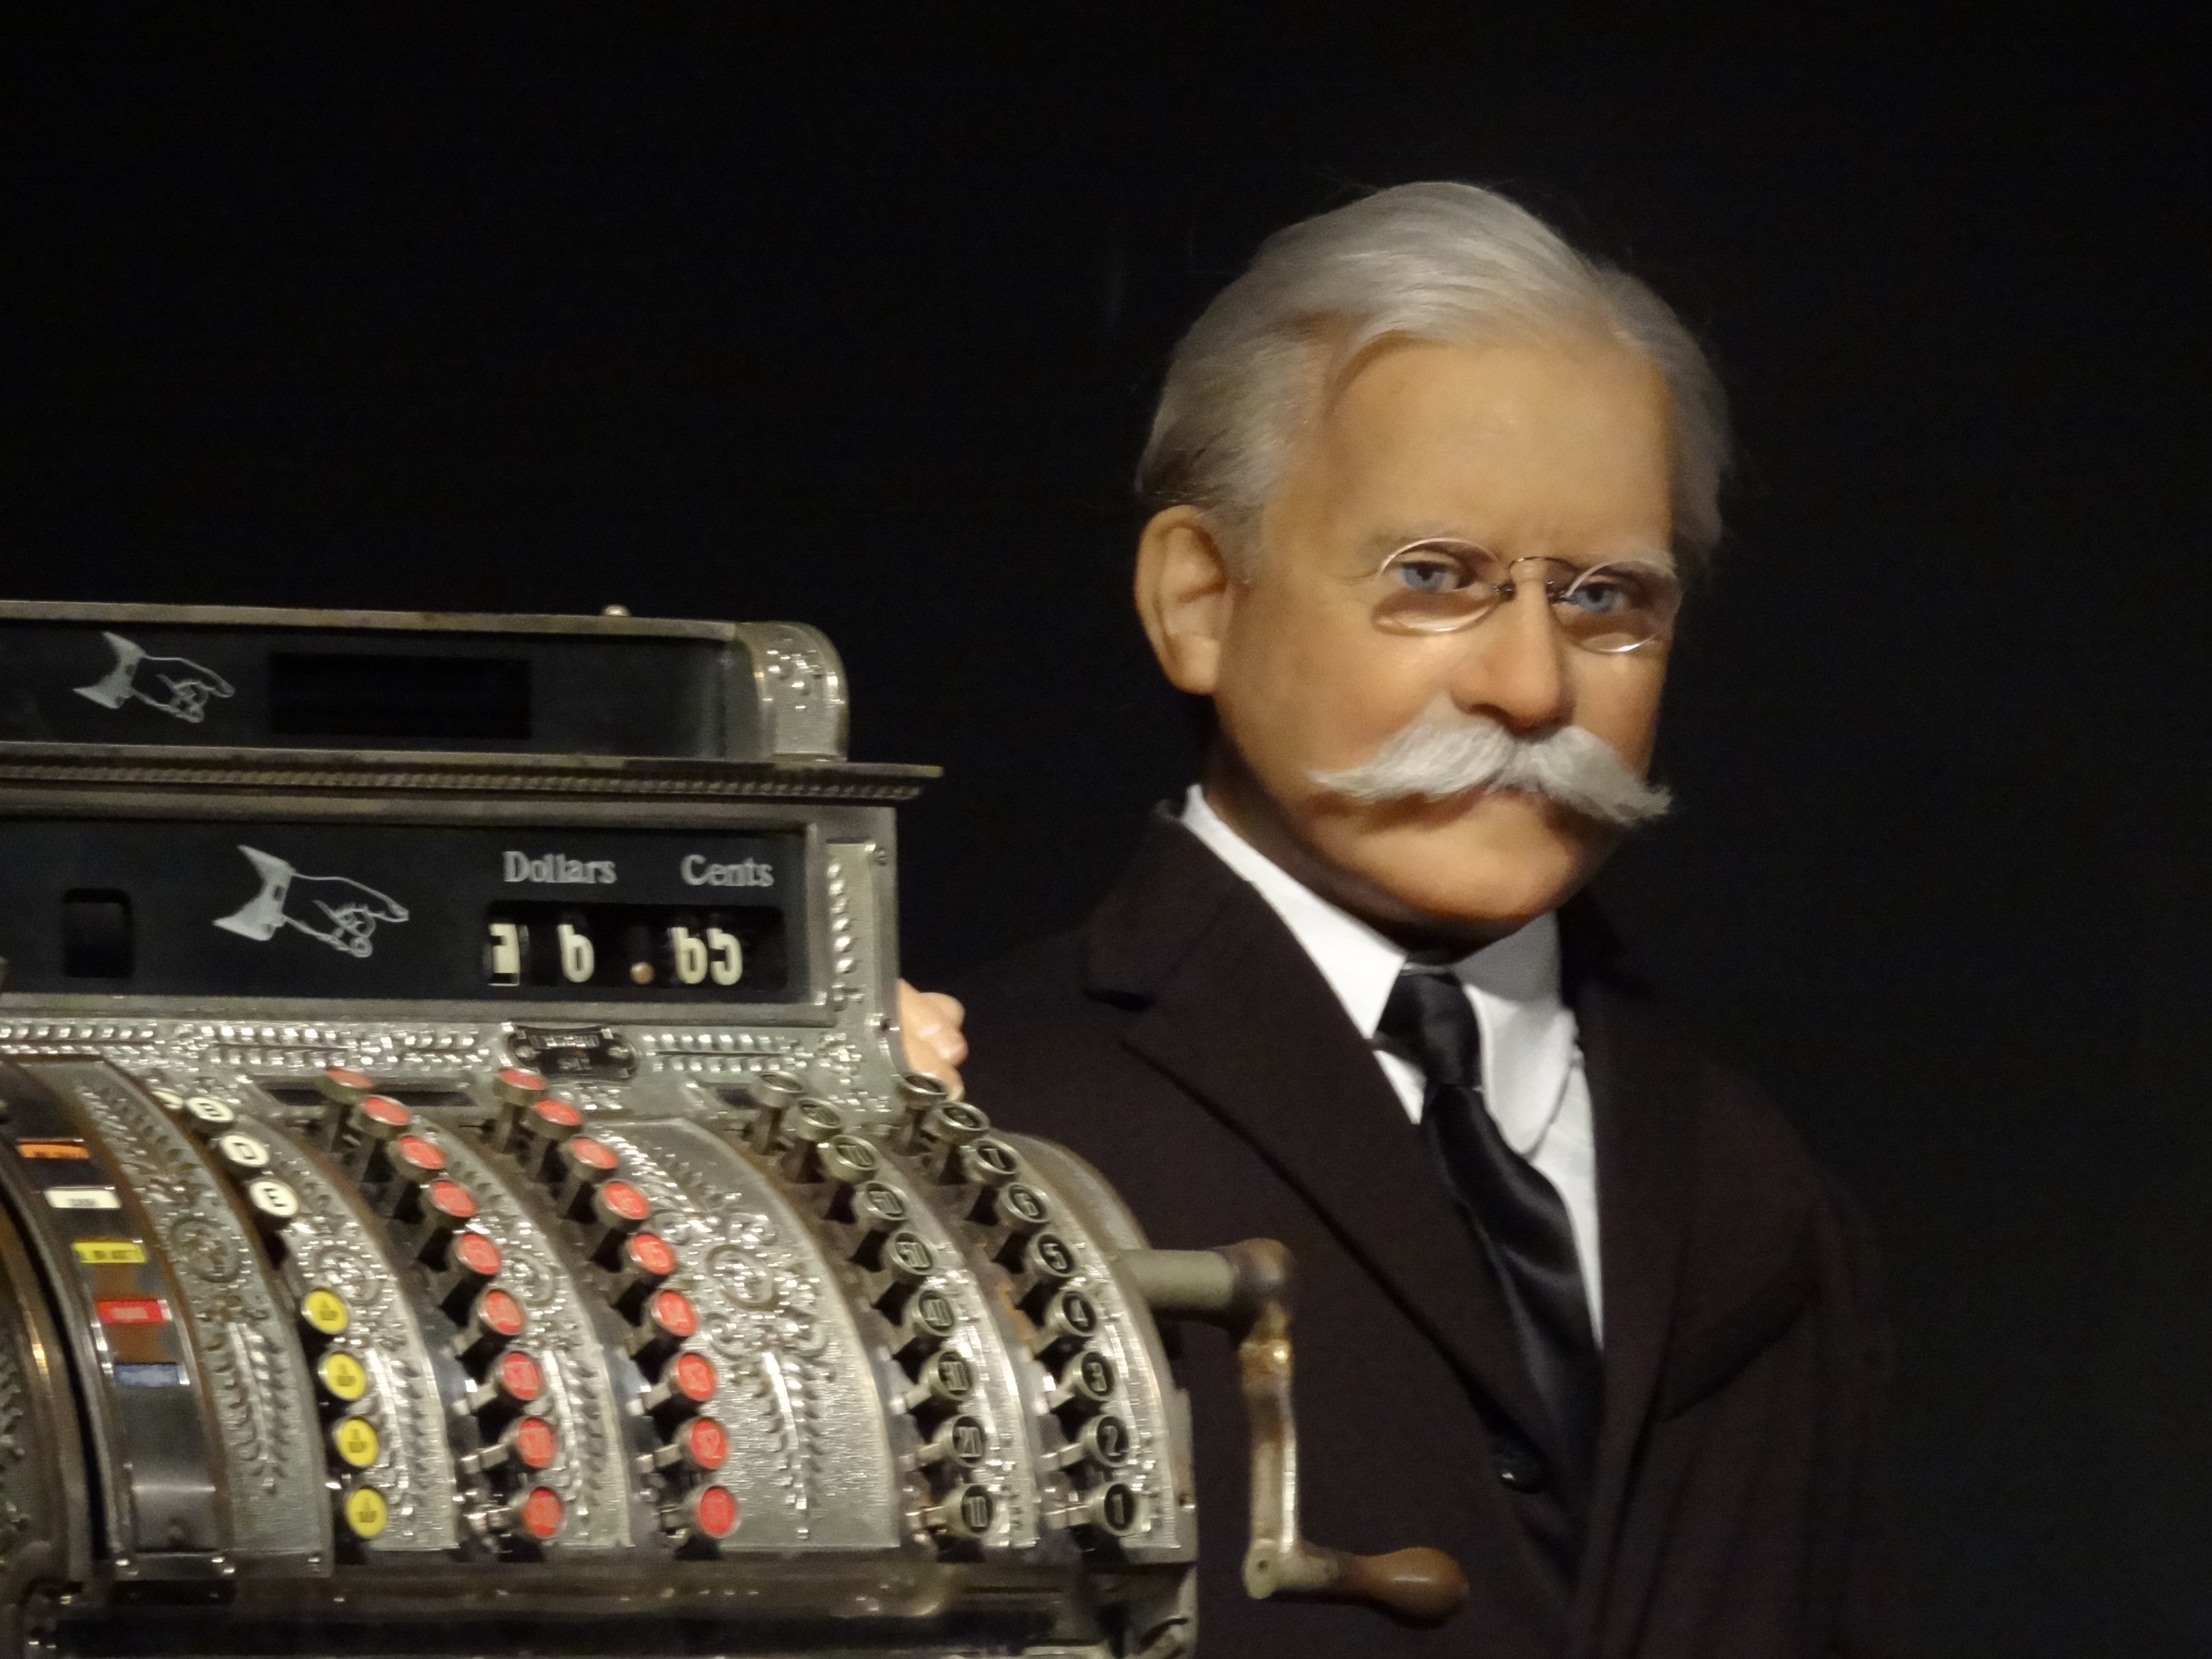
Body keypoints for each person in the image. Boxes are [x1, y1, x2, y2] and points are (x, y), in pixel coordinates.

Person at [902, 183, 1905, 1658]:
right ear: (1200, 601)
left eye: (1606, 600)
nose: (1532, 687)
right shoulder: (972, 1130)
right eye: (1433, 579)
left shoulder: (1762, 1195)